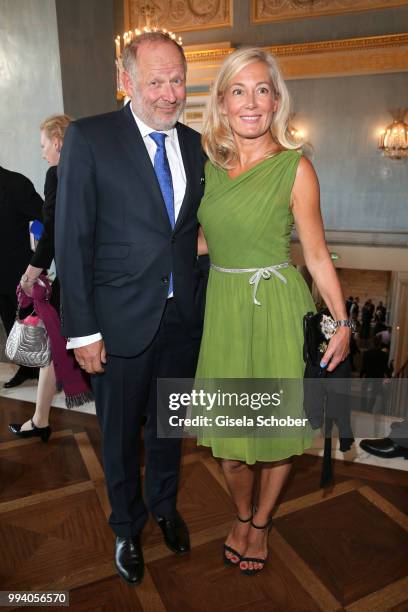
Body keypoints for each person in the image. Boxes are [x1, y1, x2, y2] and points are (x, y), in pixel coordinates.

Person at [54, 32, 206, 586]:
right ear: (126, 82)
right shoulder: (89, 139)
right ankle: (126, 528)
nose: (169, 94)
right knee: (119, 436)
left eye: (177, 81)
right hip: (116, 325)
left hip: (180, 322)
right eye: (155, 81)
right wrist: (82, 331)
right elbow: (72, 240)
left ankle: (164, 507)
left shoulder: (193, 143)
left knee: (169, 428)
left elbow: (185, 233)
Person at [195, 47, 351, 576]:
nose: (252, 102)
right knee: (232, 447)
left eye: (263, 89)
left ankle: (260, 522)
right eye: (239, 90)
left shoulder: (296, 168)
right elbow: (202, 240)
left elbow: (314, 254)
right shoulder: (208, 165)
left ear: (277, 99)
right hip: (224, 311)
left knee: (277, 433)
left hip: (278, 307)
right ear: (221, 101)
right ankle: (241, 512)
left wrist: (343, 320)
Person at [8, 114, 86, 441]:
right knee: (57, 347)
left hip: (73, 277)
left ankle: (41, 419)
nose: (42, 153)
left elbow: (52, 230)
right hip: (93, 271)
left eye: (43, 145)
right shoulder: (87, 173)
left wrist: (30, 273)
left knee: (57, 344)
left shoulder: (56, 173)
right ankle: (40, 419)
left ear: (57, 142)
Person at [0, 166, 43, 387]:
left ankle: (45, 372)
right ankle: (25, 369)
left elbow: (45, 216)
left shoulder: (16, 184)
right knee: (9, 323)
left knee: (32, 325)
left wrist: (38, 254)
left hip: (20, 272)